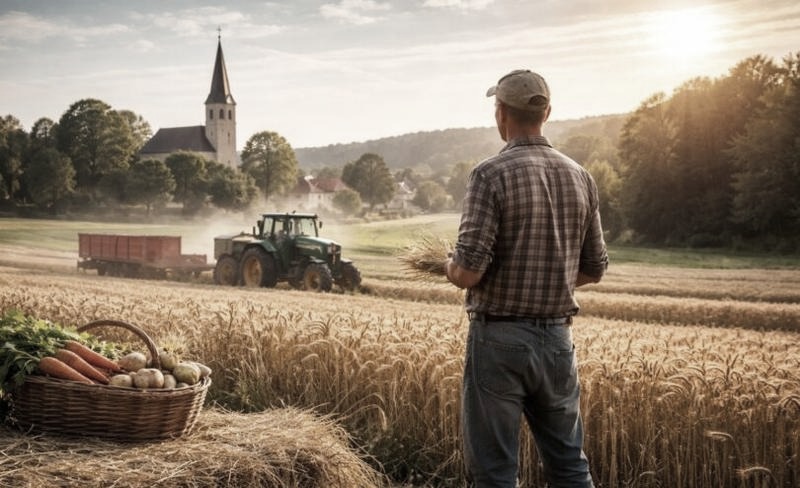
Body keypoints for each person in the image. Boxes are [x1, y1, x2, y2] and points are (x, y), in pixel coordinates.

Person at [445, 69, 608, 488]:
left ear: (501, 114)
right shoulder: (581, 176)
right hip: (557, 342)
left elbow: (467, 272)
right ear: (546, 112)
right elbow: (595, 268)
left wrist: (447, 264)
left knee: (496, 474)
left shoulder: (489, 175)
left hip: (499, 341)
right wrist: (550, 274)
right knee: (570, 467)